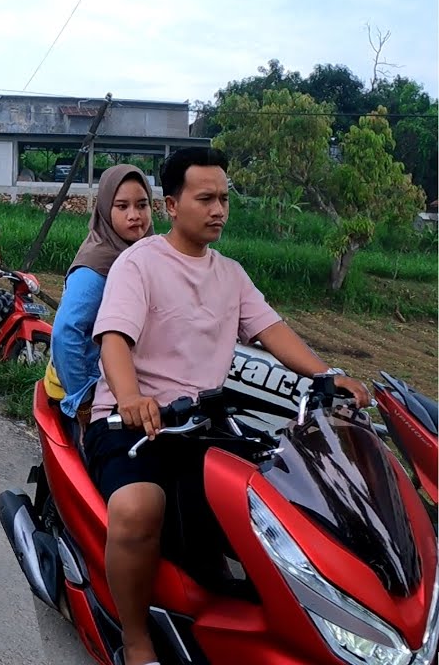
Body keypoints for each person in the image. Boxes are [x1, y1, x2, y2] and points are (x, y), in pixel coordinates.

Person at [86, 147, 370, 665]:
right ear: (173, 205)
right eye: (205, 198)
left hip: (204, 426)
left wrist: (327, 374)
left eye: (223, 198)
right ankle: (135, 639)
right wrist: (131, 398)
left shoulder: (231, 274)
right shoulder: (139, 263)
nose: (218, 209)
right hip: (132, 423)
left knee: (275, 510)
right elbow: (113, 340)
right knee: (138, 509)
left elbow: (271, 329)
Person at [49, 165, 154, 428]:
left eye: (142, 205)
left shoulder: (146, 255)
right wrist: (83, 403)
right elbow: (65, 332)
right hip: (91, 392)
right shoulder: (96, 266)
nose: (134, 216)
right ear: (105, 210)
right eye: (122, 206)